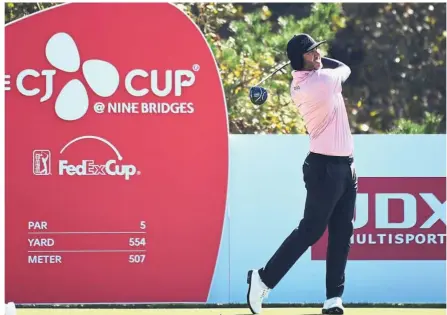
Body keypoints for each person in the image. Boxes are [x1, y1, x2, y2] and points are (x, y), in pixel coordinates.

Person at [246, 33, 358, 315]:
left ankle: (334, 298)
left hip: (345, 166)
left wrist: (314, 58)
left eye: (318, 51)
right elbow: (345, 68)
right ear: (299, 60)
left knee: (342, 232)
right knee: (311, 231)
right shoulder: (319, 83)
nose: (318, 55)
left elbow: (328, 64)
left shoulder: (306, 79)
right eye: (311, 53)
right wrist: (327, 61)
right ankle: (263, 278)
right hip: (325, 168)